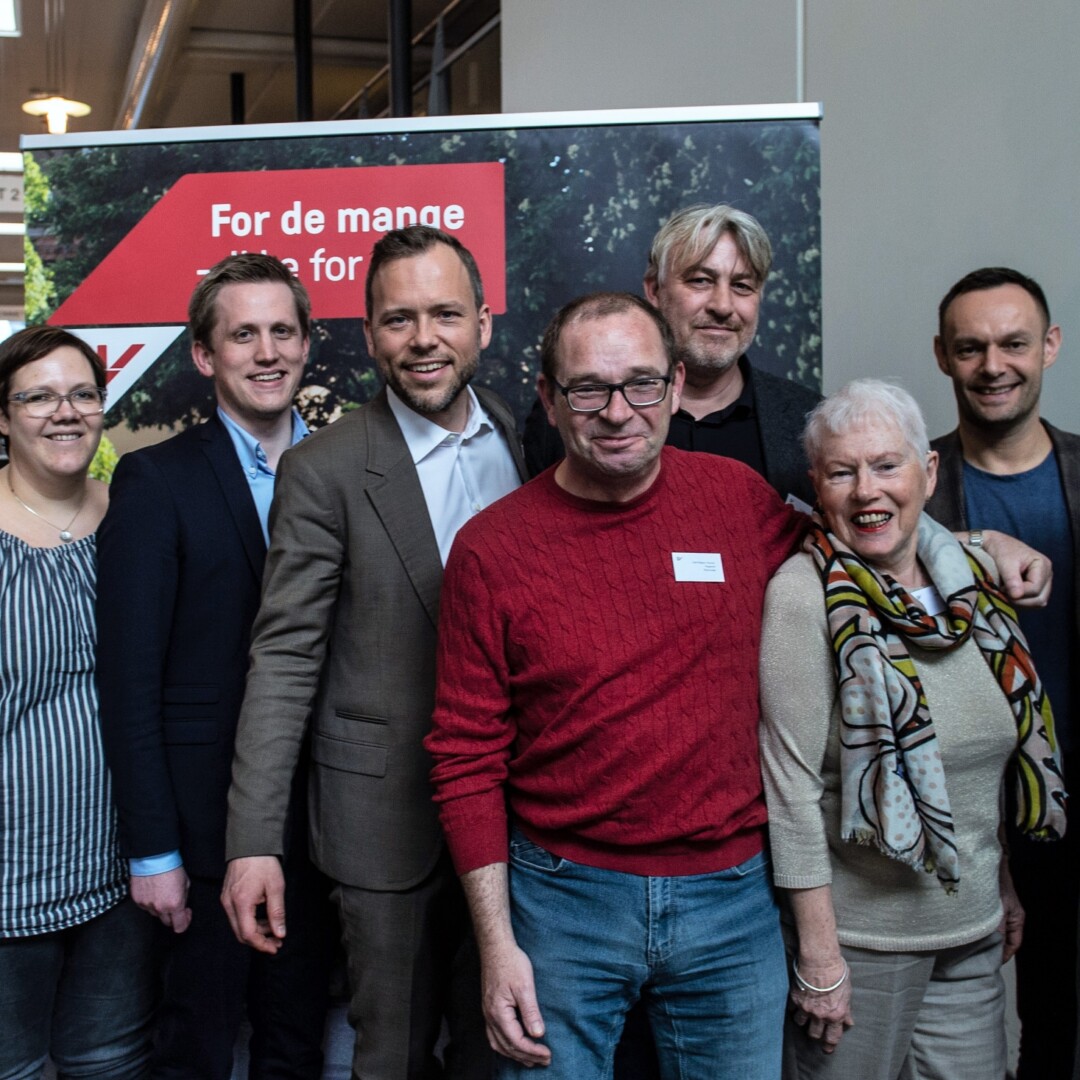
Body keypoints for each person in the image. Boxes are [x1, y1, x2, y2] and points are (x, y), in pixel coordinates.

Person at [426, 292, 808, 1079]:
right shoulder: (491, 550)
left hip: (732, 902)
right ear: (549, 399)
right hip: (561, 903)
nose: (617, 411)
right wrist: (498, 947)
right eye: (588, 389)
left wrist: (968, 547)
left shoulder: (739, 501)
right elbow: (465, 756)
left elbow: (868, 533)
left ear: (673, 388)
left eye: (640, 383)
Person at [221, 225, 527, 1079]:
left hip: (519, 817)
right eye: (399, 319)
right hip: (380, 825)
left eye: (445, 314)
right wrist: (252, 842)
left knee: (499, 1051)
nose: (424, 338)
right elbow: (282, 661)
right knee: (386, 1054)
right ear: (368, 336)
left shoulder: (522, 438)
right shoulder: (324, 469)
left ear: (484, 325)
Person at [758, 378, 1066, 1079]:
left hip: (972, 930)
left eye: (886, 465)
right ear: (817, 485)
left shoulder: (978, 581)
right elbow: (791, 791)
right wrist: (819, 955)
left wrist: (1003, 882)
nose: (867, 490)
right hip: (859, 943)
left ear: (927, 472)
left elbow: (983, 763)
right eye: (842, 471)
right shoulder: (803, 598)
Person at [95, 253, 335, 1077]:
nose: (266, 352)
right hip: (198, 842)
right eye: (243, 335)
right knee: (193, 1049)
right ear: (205, 355)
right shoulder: (154, 481)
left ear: (308, 346)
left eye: (282, 331)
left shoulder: (348, 473)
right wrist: (153, 852)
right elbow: (127, 682)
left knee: (297, 1048)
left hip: (320, 830)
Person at [926, 266, 1080, 1080]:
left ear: (1049, 347)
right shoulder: (908, 489)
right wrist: (975, 547)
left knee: (1063, 1018)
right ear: (944, 357)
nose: (994, 365)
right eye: (972, 347)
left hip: (1072, 798)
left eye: (1014, 343)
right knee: (961, 1030)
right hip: (965, 805)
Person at [0, 326, 157, 1077]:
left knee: (111, 1063)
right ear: (2, 416)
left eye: (83, 394)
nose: (65, 412)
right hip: (6, 882)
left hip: (123, 872)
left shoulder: (135, 510)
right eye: (37, 397)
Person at [523, 203, 820, 506]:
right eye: (700, 281)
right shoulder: (572, 413)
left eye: (742, 286)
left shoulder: (808, 419)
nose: (723, 306)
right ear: (654, 290)